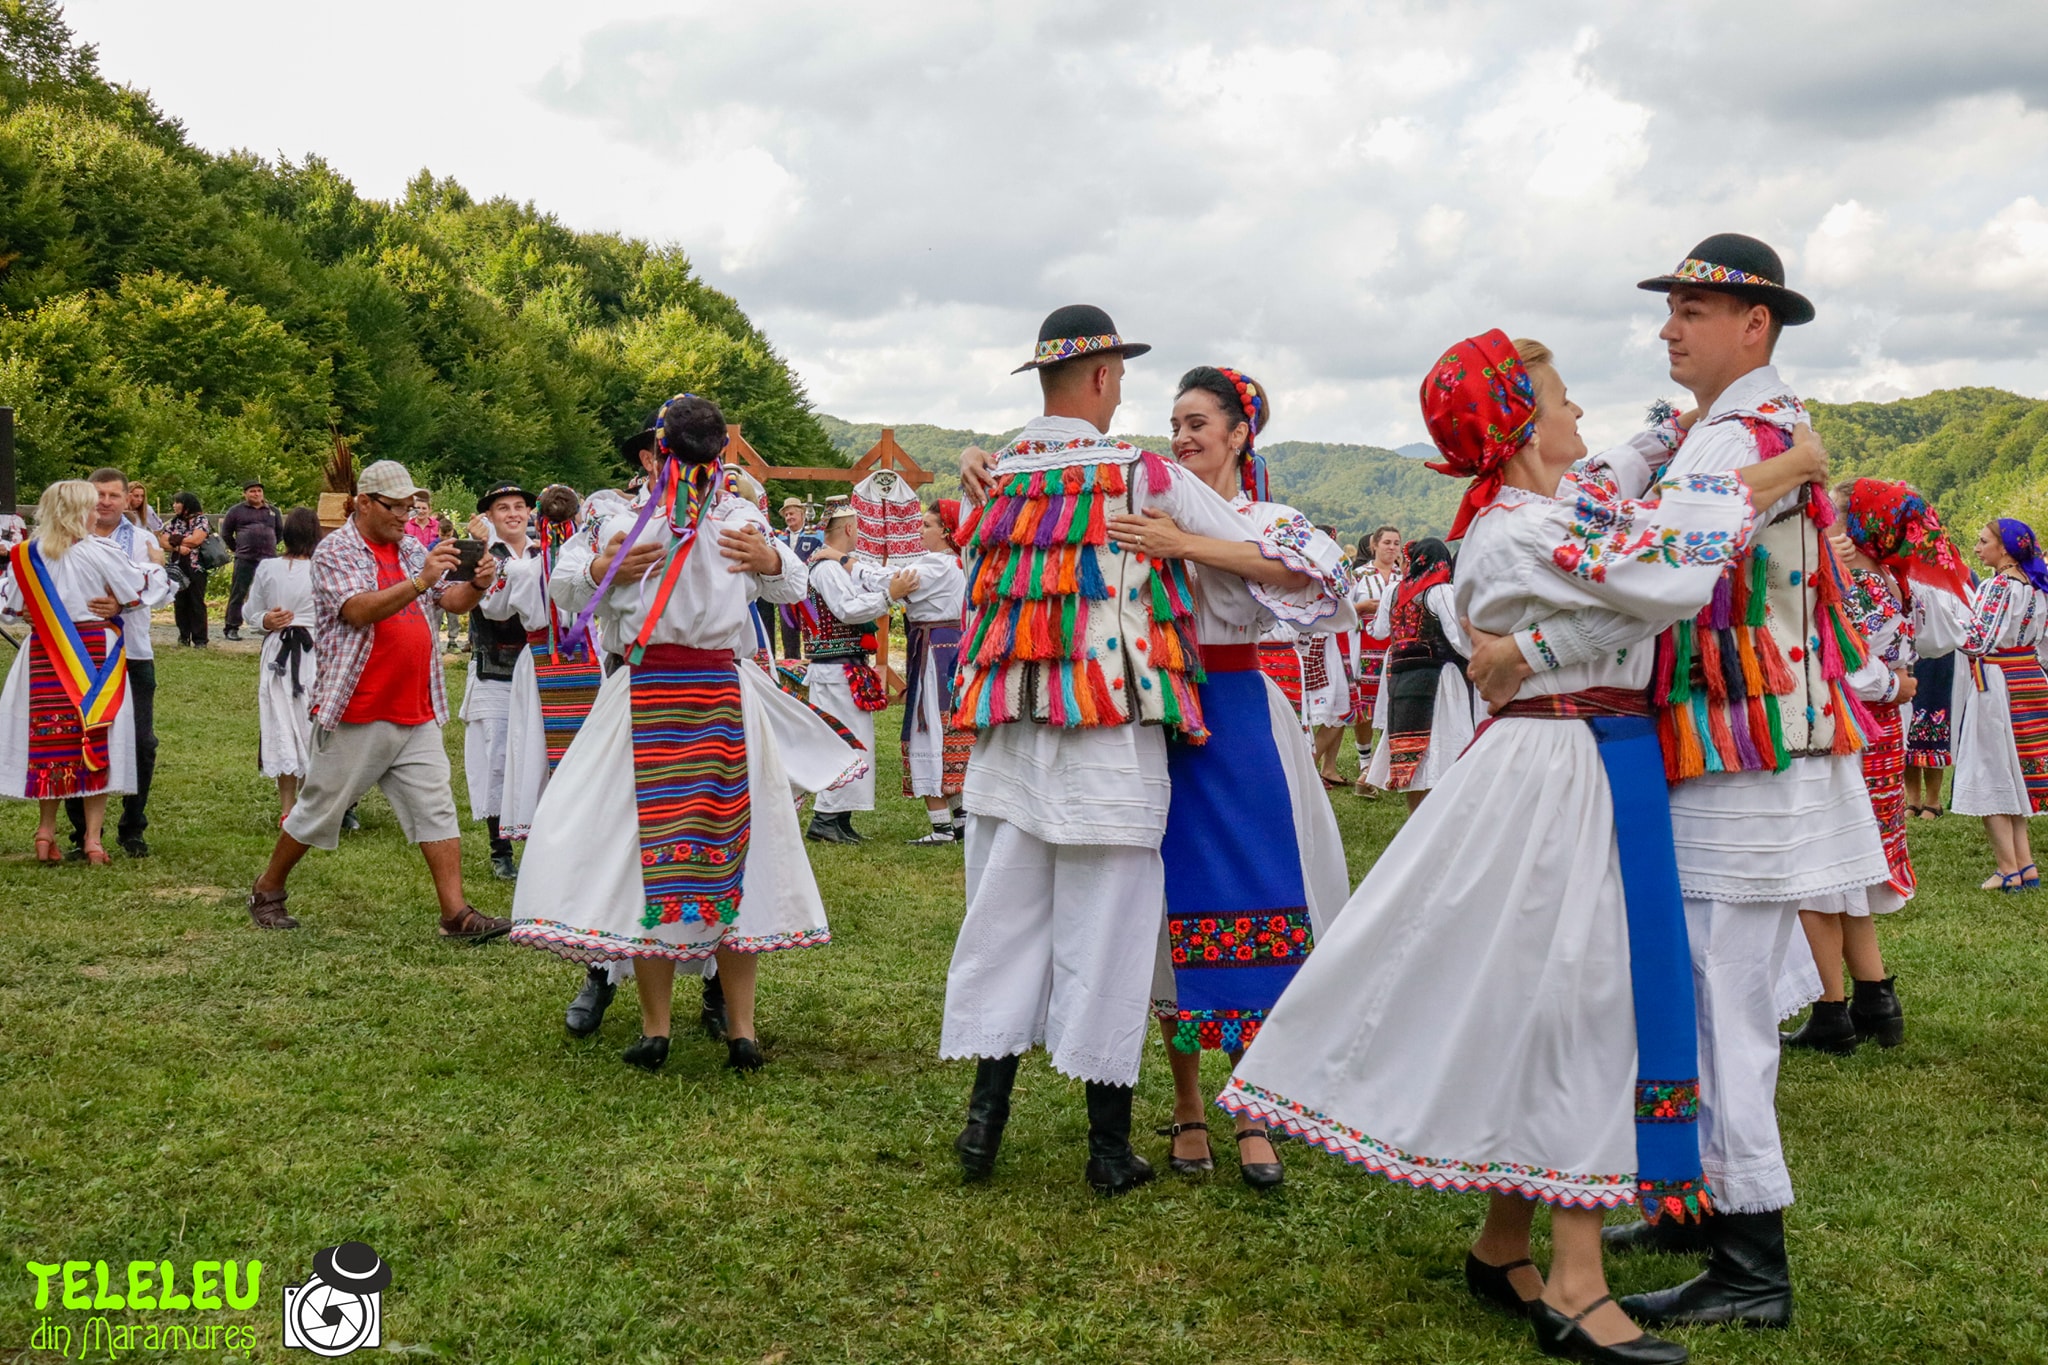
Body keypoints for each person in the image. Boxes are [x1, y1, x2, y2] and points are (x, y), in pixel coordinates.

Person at [1226, 331, 1827, 1365]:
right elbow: (1668, 570)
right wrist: (1781, 468)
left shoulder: (1536, 514)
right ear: (1519, 426)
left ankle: (1504, 1241)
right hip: (1566, 767)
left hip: (1583, 756)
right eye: (1560, 398)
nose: (1578, 415)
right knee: (1581, 1003)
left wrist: (1666, 444)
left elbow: (1615, 502)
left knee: (1551, 991)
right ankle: (1577, 1287)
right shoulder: (1524, 529)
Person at [1533, 234, 1886, 1333]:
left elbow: (1649, 559)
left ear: (1754, 324)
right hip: (1748, 738)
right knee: (1702, 982)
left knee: (1716, 991)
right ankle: (1701, 1208)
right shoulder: (1744, 429)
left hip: (1743, 745)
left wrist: (1532, 643)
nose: (1668, 327)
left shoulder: (1737, 434)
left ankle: (1750, 1261)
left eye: (1691, 309)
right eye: (1673, 307)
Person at [941, 305, 1306, 1196]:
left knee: (1005, 924)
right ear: (1103, 376)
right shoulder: (1141, 473)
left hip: (1007, 739)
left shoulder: (997, 472)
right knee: (1106, 933)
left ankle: (983, 1126)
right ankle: (1107, 1150)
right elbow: (1255, 554)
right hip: (1109, 739)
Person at [509, 394, 862, 1074]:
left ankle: (741, 1029)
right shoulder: (614, 516)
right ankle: (655, 1027)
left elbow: (792, 586)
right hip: (642, 692)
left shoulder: (740, 516)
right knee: (644, 852)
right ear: (653, 455)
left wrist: (768, 560)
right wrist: (604, 569)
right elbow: (563, 585)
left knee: (737, 850)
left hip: (723, 696)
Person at [1112, 364, 1352, 1190]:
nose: (1182, 436)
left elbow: (1313, 576)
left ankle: (1250, 1106)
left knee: (1258, 896)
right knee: (1169, 907)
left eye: (1198, 422)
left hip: (1240, 711)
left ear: (1240, 433)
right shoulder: (1146, 508)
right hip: (1161, 712)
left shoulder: (1265, 519)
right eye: (1175, 423)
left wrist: (1184, 545)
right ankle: (1187, 1105)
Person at [244, 460, 506, 938]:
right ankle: (268, 888)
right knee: (318, 808)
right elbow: (357, 610)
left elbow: (449, 601)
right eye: (395, 507)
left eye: (410, 506)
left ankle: (456, 915)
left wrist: (477, 585)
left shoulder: (409, 547)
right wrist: (421, 580)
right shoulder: (335, 549)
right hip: (359, 706)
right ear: (364, 503)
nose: (406, 516)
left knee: (437, 809)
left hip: (416, 706)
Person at [1784, 479, 1973, 1053]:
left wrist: (1889, 684)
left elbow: (1846, 665)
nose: (1826, 521)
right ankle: (1874, 999)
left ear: (1858, 526)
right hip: (1879, 729)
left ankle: (1831, 1010)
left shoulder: (1859, 586)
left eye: (1837, 514)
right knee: (1849, 867)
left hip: (1852, 729)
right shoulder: (1892, 579)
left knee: (1820, 866)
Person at [1, 480, 151, 864]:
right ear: (78, 511)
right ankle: (93, 840)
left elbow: (11, 606)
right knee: (95, 733)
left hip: (45, 652)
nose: (96, 512)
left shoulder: (25, 555)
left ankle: (45, 832)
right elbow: (137, 591)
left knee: (51, 738)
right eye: (91, 506)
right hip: (93, 652)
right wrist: (119, 602)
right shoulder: (102, 551)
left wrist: (32, 609)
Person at [60, 468, 172, 859]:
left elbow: (160, 592)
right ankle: (83, 832)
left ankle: (133, 826)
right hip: (81, 655)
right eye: (99, 495)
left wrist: (122, 604)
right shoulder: (69, 538)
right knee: (79, 737)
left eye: (113, 495)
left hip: (133, 653)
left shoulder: (142, 541)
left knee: (142, 742)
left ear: (128, 500)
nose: (105, 502)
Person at [1951, 516, 2048, 888]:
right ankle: (2025, 865)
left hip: (1997, 681)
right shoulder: (2036, 585)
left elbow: (1977, 640)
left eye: (1983, 541)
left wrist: (1945, 623)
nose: (1977, 548)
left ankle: (2008, 869)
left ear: (2004, 548)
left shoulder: (1998, 586)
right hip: (2028, 676)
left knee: (1990, 769)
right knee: (2012, 774)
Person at [800, 503, 902, 844]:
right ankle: (826, 818)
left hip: (841, 667)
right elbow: (847, 609)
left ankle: (838, 818)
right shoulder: (827, 569)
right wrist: (888, 596)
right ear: (848, 529)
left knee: (854, 741)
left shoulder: (833, 567)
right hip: (835, 669)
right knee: (843, 741)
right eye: (856, 527)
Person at [1363, 537, 1477, 810]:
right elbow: (1458, 639)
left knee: (1412, 744)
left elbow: (1378, 631)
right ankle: (1439, 817)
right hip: (1440, 678)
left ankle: (1415, 817)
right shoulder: (1440, 591)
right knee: (1445, 743)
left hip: (1401, 677)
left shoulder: (1393, 591)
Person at [463, 483, 539, 881]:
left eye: (519, 506)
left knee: (537, 753)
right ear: (490, 517)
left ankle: (539, 842)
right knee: (496, 757)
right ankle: (500, 851)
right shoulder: (484, 556)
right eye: (503, 508)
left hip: (540, 667)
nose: (513, 513)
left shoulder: (544, 552)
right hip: (495, 666)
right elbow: (490, 608)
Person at [885, 500, 970, 844]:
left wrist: (846, 563)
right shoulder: (962, 562)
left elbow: (892, 581)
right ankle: (962, 818)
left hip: (933, 651)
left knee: (928, 728)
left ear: (946, 531)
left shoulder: (936, 565)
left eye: (927, 525)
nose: (920, 531)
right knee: (948, 729)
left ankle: (941, 827)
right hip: (952, 649)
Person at [244, 508, 322, 824]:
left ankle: (293, 807)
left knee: (294, 721)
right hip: (296, 652)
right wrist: (267, 619)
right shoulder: (277, 568)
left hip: (301, 649)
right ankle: (296, 809)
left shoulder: (278, 567)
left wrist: (264, 619)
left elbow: (250, 611)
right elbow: (253, 613)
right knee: (295, 722)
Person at [1348, 526, 1401, 795]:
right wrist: (1361, 608)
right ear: (1374, 545)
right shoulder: (1360, 575)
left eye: (1396, 543)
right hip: (1365, 644)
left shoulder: (1404, 577)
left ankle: (1384, 764)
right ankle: (1365, 760)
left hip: (1395, 644)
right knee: (1366, 705)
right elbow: (1342, 609)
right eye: (1387, 542)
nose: (1391, 547)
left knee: (1391, 703)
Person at [219, 479, 283, 641]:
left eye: (259, 491)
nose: (256, 494)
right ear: (245, 494)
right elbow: (226, 533)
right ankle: (232, 627)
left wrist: (269, 544)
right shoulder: (236, 511)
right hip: (245, 558)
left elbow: (280, 533)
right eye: (252, 491)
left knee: (271, 593)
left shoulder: (273, 511)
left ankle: (269, 625)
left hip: (268, 560)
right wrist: (238, 548)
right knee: (238, 593)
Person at [162, 492, 212, 647]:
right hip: (177, 567)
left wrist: (174, 539)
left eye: (178, 502)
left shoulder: (201, 520)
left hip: (196, 567)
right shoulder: (174, 522)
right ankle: (183, 636)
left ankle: (200, 639)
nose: (174, 505)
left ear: (186, 505)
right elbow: (162, 541)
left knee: (196, 602)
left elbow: (196, 539)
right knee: (180, 603)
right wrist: (178, 547)